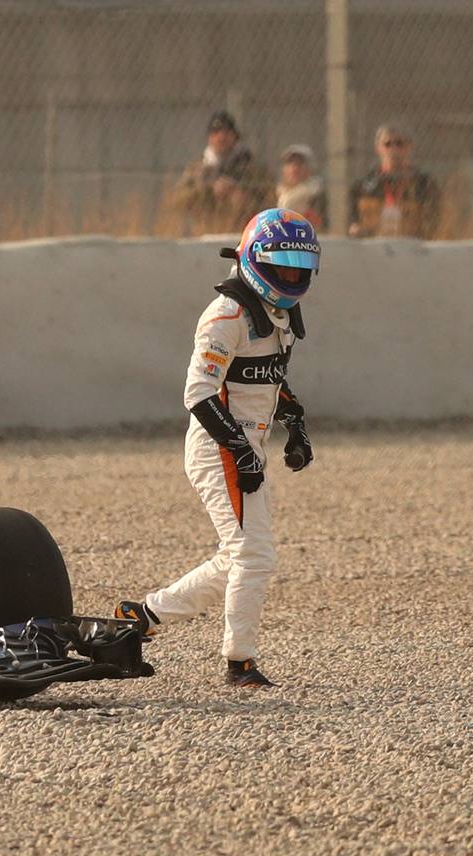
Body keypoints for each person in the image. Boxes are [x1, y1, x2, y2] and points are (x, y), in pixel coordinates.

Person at [116, 208, 319, 688]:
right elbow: (198, 393)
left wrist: (295, 421)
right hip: (217, 446)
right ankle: (239, 662)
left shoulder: (281, 312)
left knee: (237, 555)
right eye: (281, 264)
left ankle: (142, 615)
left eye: (298, 267)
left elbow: (269, 376)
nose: (290, 276)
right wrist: (240, 449)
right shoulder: (227, 316)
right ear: (252, 259)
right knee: (255, 555)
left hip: (247, 444)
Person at [171, 110, 273, 235]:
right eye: (216, 132)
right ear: (209, 138)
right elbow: (178, 201)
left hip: (244, 234)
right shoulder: (197, 169)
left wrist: (242, 198)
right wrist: (209, 190)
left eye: (226, 132)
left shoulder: (252, 168)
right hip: (205, 233)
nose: (221, 137)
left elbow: (270, 201)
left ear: (235, 136)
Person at [350, 122, 440, 238]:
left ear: (409, 146)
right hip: (374, 244)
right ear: (378, 148)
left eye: (399, 144)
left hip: (412, 245)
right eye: (387, 144)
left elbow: (435, 220)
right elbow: (352, 220)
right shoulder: (364, 185)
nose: (393, 149)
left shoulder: (424, 183)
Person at [275, 144, 326, 229]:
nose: (294, 168)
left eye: (299, 163)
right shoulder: (277, 193)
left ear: (309, 168)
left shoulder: (316, 194)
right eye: (290, 162)